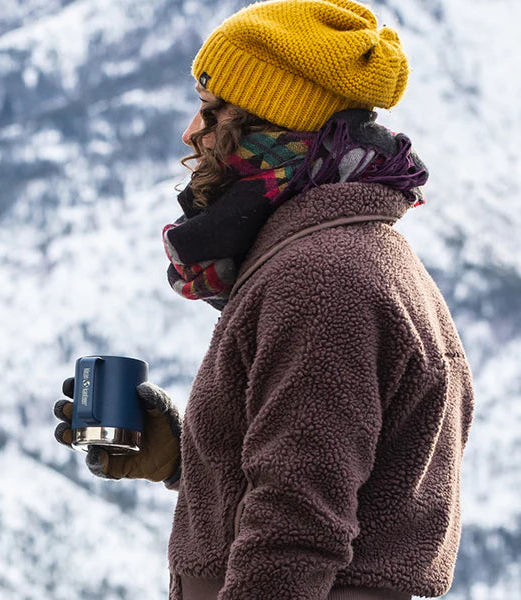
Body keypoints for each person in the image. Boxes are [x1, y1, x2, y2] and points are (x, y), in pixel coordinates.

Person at [54, 1, 475, 599]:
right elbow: (318, 476)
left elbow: (296, 533)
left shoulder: (324, 282)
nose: (192, 133)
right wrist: (185, 459)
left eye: (213, 110)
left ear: (271, 131)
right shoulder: (339, 257)